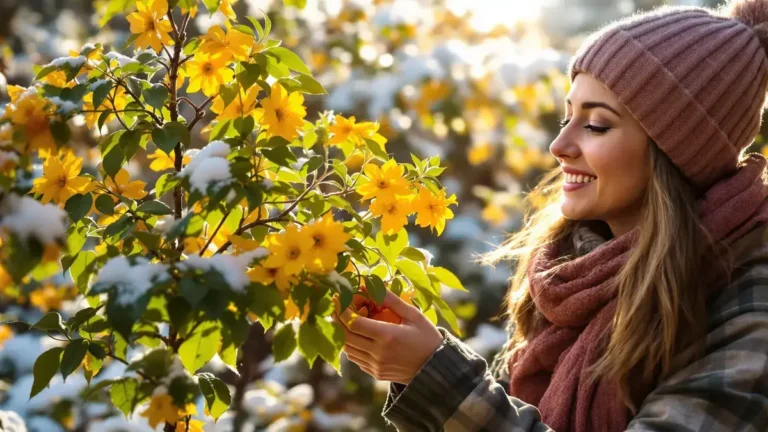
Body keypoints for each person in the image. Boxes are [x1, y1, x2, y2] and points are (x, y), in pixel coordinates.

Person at [332, 0, 768, 431]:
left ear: (676, 152)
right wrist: (416, 368)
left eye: (596, 124)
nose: (558, 145)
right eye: (567, 115)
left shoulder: (749, 301)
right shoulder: (573, 275)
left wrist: (440, 382)